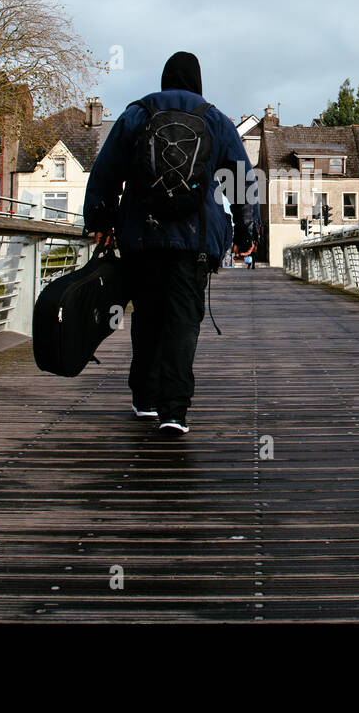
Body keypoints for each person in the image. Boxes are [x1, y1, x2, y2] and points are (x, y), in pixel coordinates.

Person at [83, 51, 259, 437]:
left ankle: (144, 399)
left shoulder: (137, 114)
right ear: (197, 81)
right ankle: (174, 411)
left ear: (165, 79)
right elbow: (243, 179)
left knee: (146, 315)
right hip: (194, 238)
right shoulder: (213, 118)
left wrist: (99, 219)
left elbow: (106, 169)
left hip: (141, 236)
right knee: (182, 321)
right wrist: (248, 233)